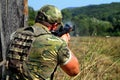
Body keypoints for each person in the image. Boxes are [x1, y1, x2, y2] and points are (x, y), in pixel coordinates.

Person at [4, 5, 80, 80]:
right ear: (54, 25)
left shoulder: (16, 34)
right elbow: (74, 71)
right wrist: (63, 43)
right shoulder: (56, 43)